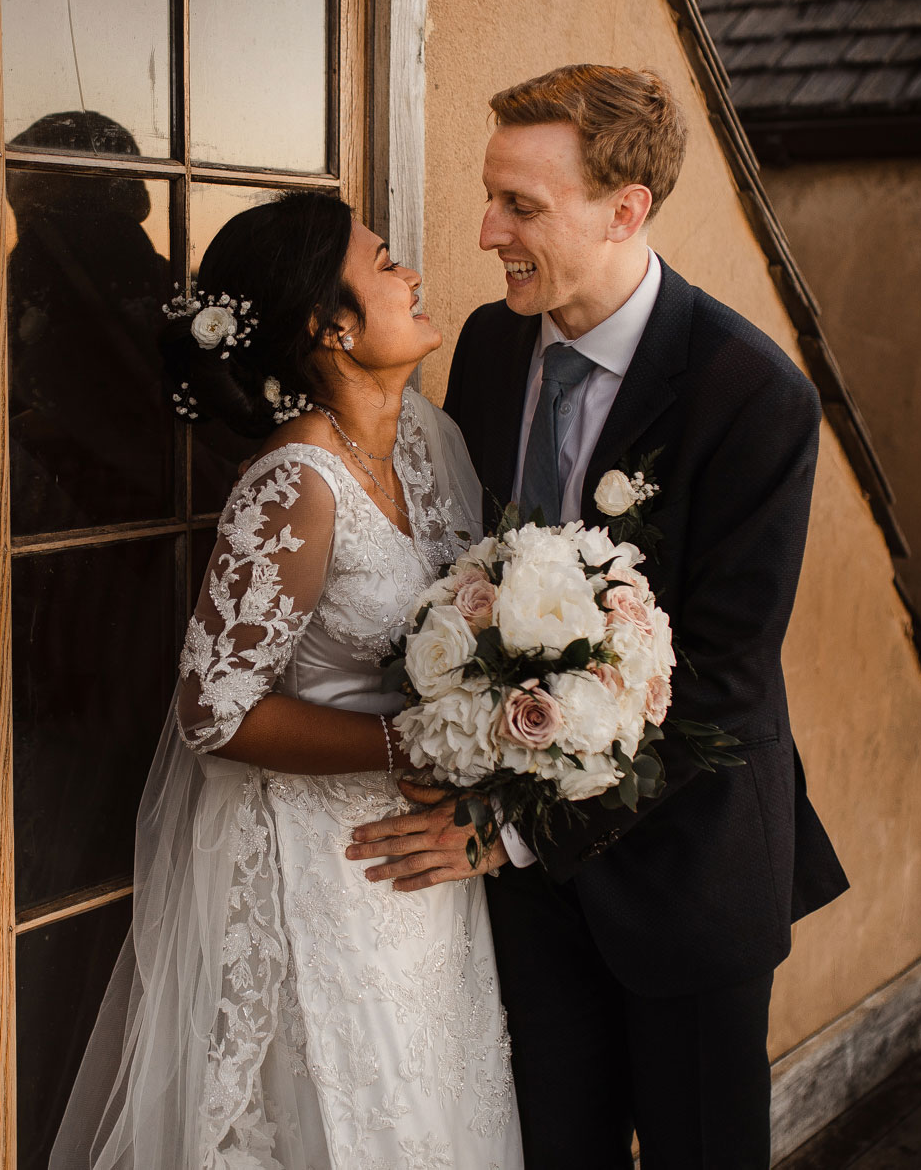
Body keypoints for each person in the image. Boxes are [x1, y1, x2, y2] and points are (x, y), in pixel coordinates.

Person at [346, 64, 849, 1169]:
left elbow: (719, 678)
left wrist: (513, 830)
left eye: (520, 205)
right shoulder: (484, 347)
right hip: (524, 901)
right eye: (491, 196)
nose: (485, 230)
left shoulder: (752, 396)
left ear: (626, 210)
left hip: (685, 874)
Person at [50, 191, 524, 1169]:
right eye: (386, 260)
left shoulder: (431, 444)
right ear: (330, 325)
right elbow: (211, 711)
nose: (412, 273)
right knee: (354, 1119)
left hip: (425, 864)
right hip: (328, 869)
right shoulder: (293, 485)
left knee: (443, 1101)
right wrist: (415, 742)